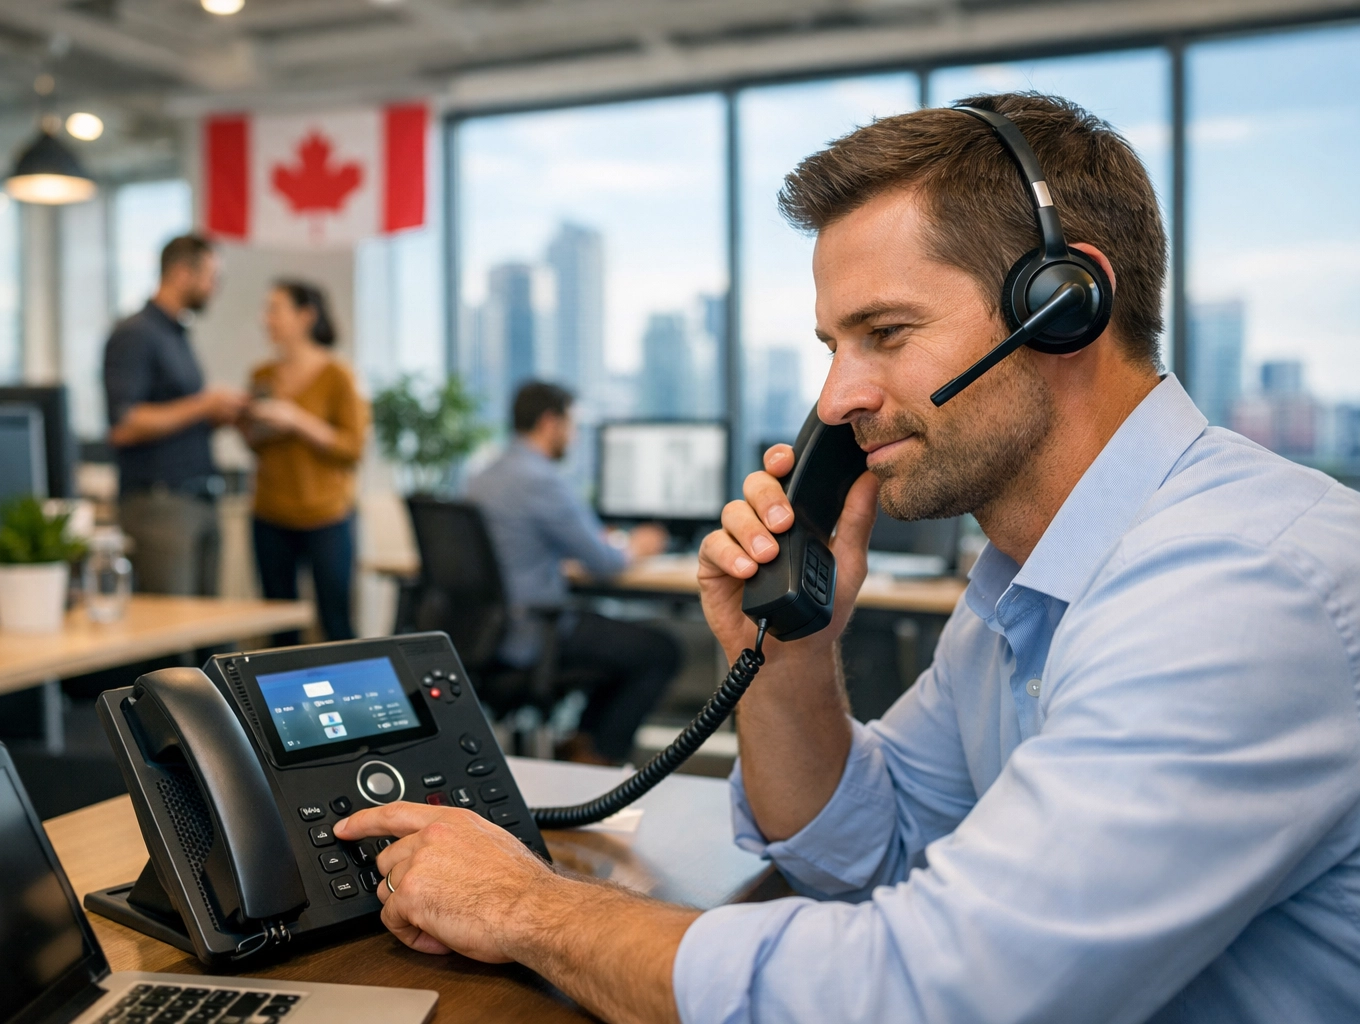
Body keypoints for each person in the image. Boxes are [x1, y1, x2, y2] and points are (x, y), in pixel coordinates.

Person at [336, 93, 1360, 1023]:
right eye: (833, 344)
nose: (836, 400)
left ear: (1065, 304)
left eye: (886, 332)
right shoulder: (1022, 582)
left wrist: (528, 905)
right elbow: (864, 851)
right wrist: (787, 652)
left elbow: (925, 992)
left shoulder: (1241, 590)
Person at [465, 382, 681, 764]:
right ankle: (595, 756)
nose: (574, 436)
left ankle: (581, 745)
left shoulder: (481, 477)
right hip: (534, 633)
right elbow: (606, 563)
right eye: (572, 424)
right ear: (551, 423)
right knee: (660, 650)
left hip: (485, 634)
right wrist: (640, 545)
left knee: (617, 645)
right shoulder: (542, 480)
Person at [104, 234, 246, 596]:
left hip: (199, 497)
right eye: (212, 277)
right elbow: (125, 424)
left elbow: (177, 415)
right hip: (160, 506)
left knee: (208, 637)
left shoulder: (177, 334)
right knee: (172, 637)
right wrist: (204, 404)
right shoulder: (135, 334)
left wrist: (217, 414)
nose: (215, 288)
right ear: (183, 272)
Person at [241, 279, 368, 645]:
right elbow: (257, 447)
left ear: (306, 316)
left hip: (326, 515)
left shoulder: (338, 376)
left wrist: (297, 419)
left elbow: (352, 448)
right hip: (270, 513)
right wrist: (245, 423)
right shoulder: (261, 376)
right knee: (279, 628)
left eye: (275, 309)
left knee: (336, 621)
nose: (267, 319)